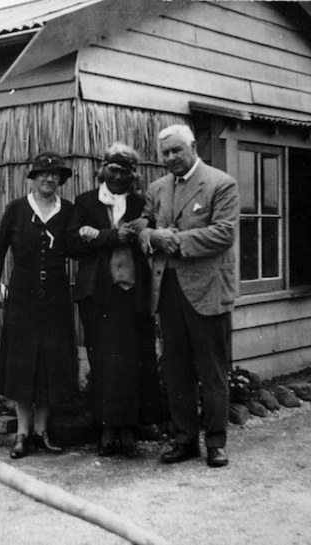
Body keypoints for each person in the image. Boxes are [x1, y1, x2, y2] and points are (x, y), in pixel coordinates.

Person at [138, 125, 239, 468]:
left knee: (212, 370)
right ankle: (185, 440)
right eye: (165, 153)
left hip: (207, 291)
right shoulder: (157, 188)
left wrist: (175, 242)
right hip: (167, 290)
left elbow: (224, 234)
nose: (170, 159)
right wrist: (152, 236)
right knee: (176, 369)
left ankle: (215, 442)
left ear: (193, 147)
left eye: (176, 151)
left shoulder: (220, 183)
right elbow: (143, 226)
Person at [69, 142, 162, 458]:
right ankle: (107, 429)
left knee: (133, 359)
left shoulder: (140, 204)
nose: (119, 175)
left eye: (126, 170)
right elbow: (71, 243)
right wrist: (110, 236)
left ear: (133, 174)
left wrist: (140, 230)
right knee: (103, 360)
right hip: (98, 295)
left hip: (133, 293)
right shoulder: (85, 202)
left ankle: (128, 429)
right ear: (103, 169)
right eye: (114, 168)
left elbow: (153, 237)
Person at [0, 151, 79, 459]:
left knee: (50, 362)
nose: (49, 179)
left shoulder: (67, 211)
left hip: (55, 295)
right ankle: (22, 433)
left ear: (61, 181)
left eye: (54, 175)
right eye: (43, 174)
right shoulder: (16, 209)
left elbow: (76, 245)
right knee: (22, 361)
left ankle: (43, 430)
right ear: (33, 177)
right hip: (22, 296)